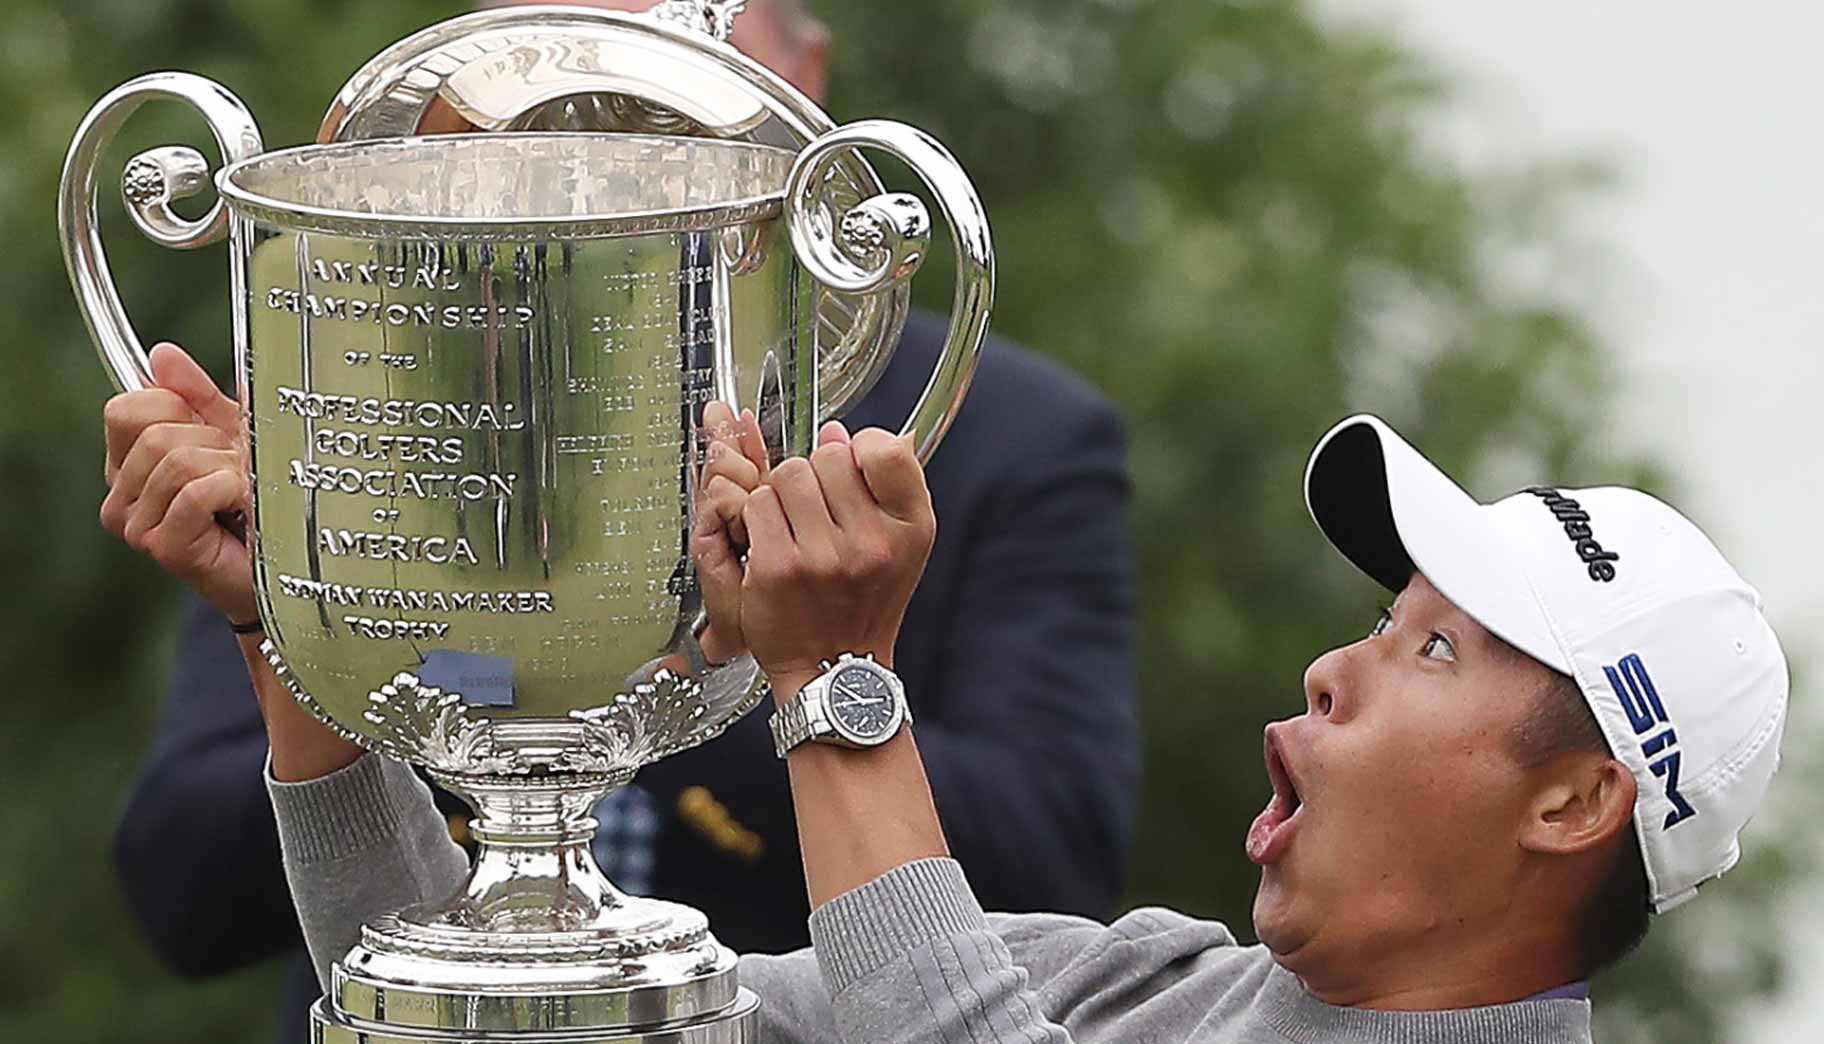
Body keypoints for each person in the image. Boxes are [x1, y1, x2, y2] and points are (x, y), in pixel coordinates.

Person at [105, 4, 1136, 1041]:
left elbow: (1046, 866)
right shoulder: (360, 388)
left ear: (800, 77)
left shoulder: (1017, 435)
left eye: (670, 41)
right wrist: (416, 642)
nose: (597, 128)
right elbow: (183, 895)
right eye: (548, 56)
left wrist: (722, 658)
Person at [206, 412, 1784, 1042]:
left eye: (1432, 648)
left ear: (1575, 804)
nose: (1330, 671)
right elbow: (507, 1020)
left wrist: (835, 693)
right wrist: (295, 649)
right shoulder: (1142, 977)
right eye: (1376, 622)